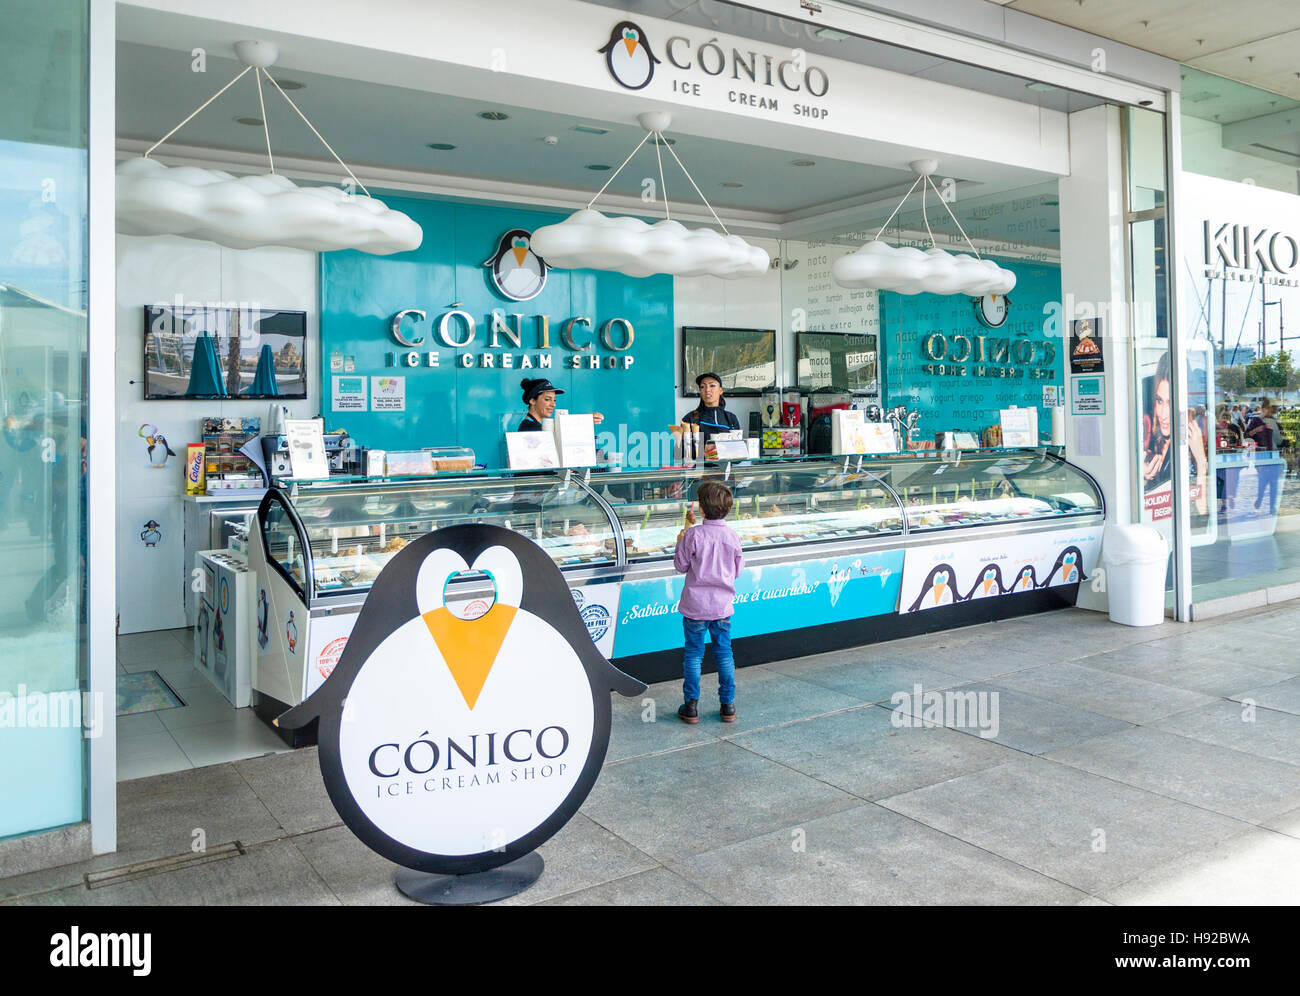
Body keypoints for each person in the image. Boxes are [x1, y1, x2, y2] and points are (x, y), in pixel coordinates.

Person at [673, 480, 745, 725]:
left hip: (695, 607)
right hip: (722, 607)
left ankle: (691, 706)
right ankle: (728, 706)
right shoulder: (732, 537)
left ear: (702, 509)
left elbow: (681, 566)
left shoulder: (693, 536)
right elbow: (736, 571)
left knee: (694, 654)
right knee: (724, 654)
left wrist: (680, 541)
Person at [516, 378, 603, 432]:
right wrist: (582, 422)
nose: (553, 404)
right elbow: (559, 439)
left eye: (554, 400)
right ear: (532, 401)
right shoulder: (530, 427)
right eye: (547, 399)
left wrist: (583, 421)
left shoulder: (537, 426)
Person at [681, 372, 741, 445]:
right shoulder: (691, 417)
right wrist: (705, 451)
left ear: (720, 390)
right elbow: (679, 451)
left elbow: (737, 448)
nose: (707, 390)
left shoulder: (731, 418)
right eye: (703, 387)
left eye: (712, 385)